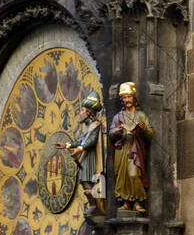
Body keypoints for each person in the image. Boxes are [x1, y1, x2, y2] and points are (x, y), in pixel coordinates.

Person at [56, 91, 106, 214]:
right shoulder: (89, 126)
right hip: (86, 157)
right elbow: (82, 140)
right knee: (84, 181)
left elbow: (92, 141)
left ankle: (95, 205)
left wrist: (81, 148)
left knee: (88, 181)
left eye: (83, 111)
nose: (81, 113)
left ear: (89, 113)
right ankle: (93, 205)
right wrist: (67, 145)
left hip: (91, 159)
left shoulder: (95, 125)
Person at [108, 82, 154, 213]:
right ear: (122, 100)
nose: (127, 100)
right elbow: (111, 133)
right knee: (122, 176)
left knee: (134, 174)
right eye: (124, 98)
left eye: (129, 97)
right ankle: (126, 202)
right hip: (122, 149)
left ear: (134, 98)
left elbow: (150, 134)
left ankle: (138, 201)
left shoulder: (141, 116)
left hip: (135, 149)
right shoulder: (118, 117)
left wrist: (143, 128)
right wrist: (119, 130)